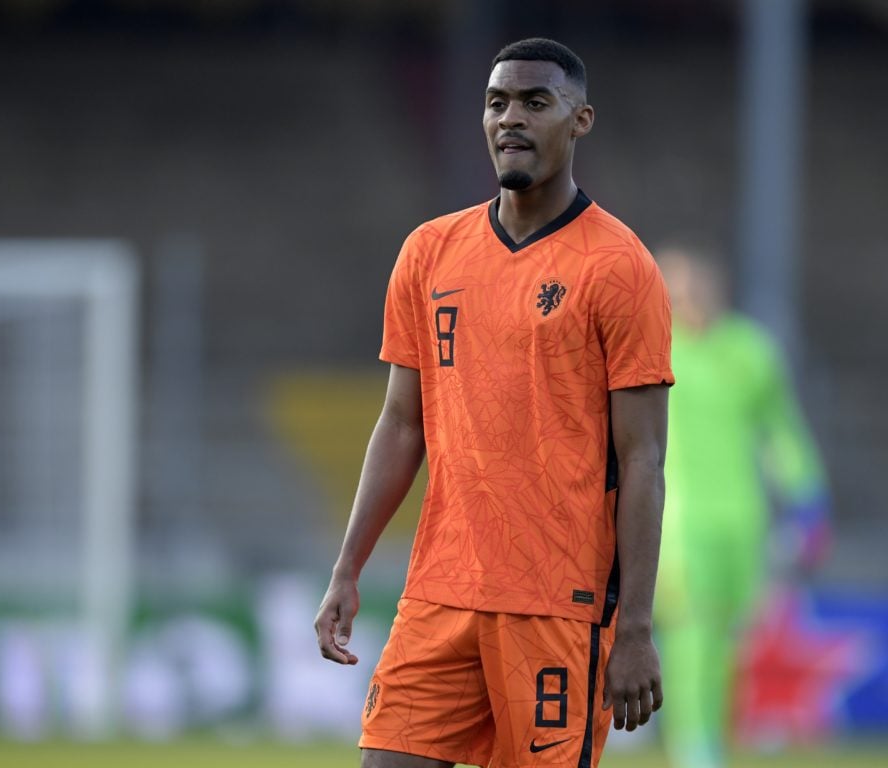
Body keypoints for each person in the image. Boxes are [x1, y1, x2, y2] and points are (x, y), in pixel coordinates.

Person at [314, 38, 675, 768]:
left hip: (556, 603)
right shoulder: (429, 252)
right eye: (497, 102)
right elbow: (401, 422)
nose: (511, 118)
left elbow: (643, 459)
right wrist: (347, 566)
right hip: (438, 594)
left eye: (536, 103)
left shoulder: (620, 267)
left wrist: (634, 625)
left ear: (580, 121)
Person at [653, 242, 830, 768]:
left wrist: (808, 499)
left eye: (693, 284)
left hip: (742, 518)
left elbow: (782, 433)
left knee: (731, 637)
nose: (687, 297)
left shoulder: (751, 352)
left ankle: (711, 739)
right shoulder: (651, 347)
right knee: (692, 631)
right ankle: (694, 750)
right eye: (674, 286)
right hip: (678, 522)